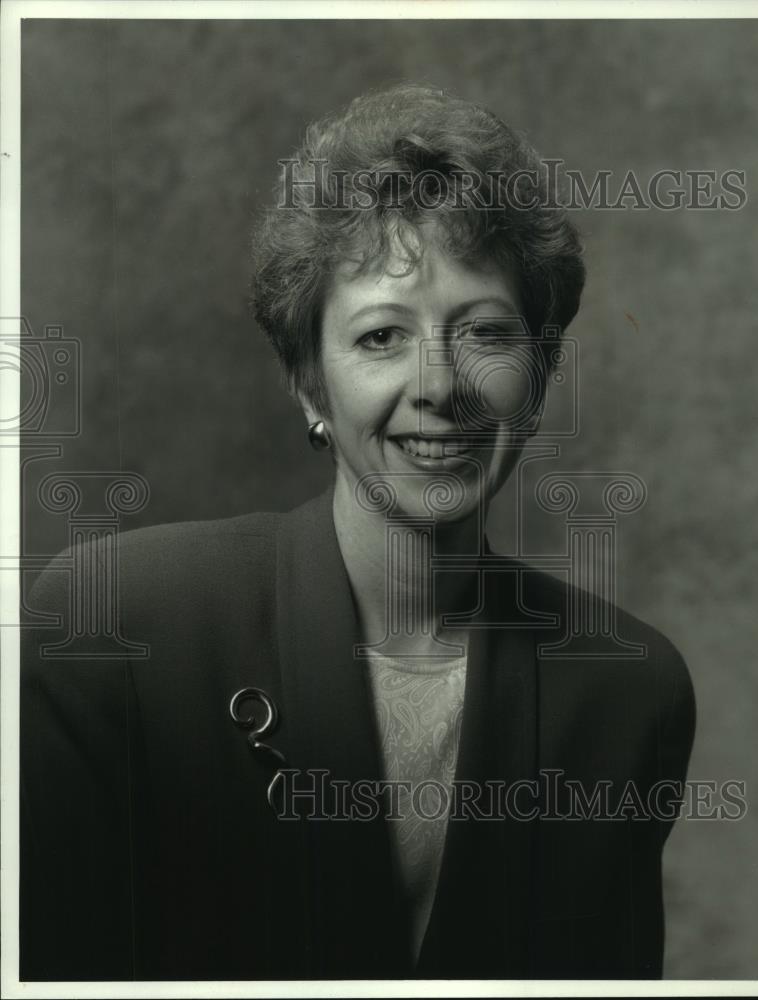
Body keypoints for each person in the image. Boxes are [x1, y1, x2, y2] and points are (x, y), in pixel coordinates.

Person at [20, 83, 695, 981]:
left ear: (536, 380)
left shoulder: (626, 696)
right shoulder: (116, 626)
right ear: (309, 385)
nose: (437, 385)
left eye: (485, 334)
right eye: (381, 337)